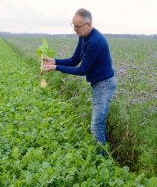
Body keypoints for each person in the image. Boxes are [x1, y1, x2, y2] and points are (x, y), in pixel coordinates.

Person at [43, 8, 117, 148]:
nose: (75, 30)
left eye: (77, 26)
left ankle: (102, 160)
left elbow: (82, 70)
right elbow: (74, 60)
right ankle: (101, 156)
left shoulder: (94, 41)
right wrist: (54, 61)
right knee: (97, 124)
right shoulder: (83, 37)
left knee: (96, 125)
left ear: (88, 25)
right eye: (73, 25)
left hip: (104, 84)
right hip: (99, 84)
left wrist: (55, 68)